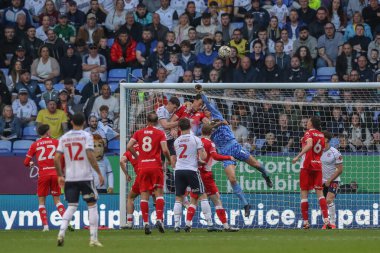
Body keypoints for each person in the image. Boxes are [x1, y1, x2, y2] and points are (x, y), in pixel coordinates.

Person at [195, 84, 273, 217]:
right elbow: (203, 134)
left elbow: (208, 103)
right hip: (224, 153)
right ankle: (246, 204)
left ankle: (266, 175)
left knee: (256, 165)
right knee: (232, 179)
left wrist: (201, 93)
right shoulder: (204, 128)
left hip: (235, 146)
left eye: (206, 110)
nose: (206, 112)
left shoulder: (217, 115)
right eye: (204, 111)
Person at [55, 112, 104, 247]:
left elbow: (56, 158)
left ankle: (61, 233)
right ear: (84, 123)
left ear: (71, 123)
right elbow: (89, 154)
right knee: (92, 205)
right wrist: (99, 172)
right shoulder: (86, 136)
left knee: (71, 206)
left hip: (70, 178)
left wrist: (60, 175)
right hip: (85, 177)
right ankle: (93, 239)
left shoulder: (64, 137)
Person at [126, 112, 171, 235]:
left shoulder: (139, 133)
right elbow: (165, 150)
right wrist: (169, 160)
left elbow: (129, 146)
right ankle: (159, 220)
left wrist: (137, 156)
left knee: (144, 195)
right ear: (157, 122)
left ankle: (146, 223)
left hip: (143, 167)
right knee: (158, 194)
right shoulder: (160, 133)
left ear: (147, 121)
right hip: (156, 166)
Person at [173, 118, 219, 232]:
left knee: (179, 197)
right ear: (190, 126)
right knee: (202, 195)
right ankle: (209, 224)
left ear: (179, 128)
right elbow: (203, 157)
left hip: (178, 170)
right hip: (191, 170)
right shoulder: (196, 139)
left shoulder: (176, 141)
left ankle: (176, 226)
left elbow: (179, 156)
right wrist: (200, 157)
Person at [23, 124, 69, 232]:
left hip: (43, 174)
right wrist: (60, 171)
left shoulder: (35, 144)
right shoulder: (56, 142)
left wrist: (30, 163)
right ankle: (67, 223)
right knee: (57, 200)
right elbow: (63, 158)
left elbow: (25, 162)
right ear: (48, 132)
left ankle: (46, 227)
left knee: (41, 202)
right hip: (55, 174)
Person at [292, 116, 331, 229]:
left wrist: (297, 156)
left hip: (307, 166)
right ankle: (326, 220)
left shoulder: (308, 133)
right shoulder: (322, 135)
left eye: (308, 121)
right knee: (320, 193)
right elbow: (319, 149)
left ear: (311, 123)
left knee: (304, 193)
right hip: (318, 165)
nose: (307, 123)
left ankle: (305, 222)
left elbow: (309, 145)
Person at [321, 131, 343, 229]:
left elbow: (340, 170)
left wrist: (329, 180)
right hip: (321, 180)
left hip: (333, 179)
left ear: (326, 140)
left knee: (329, 199)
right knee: (323, 202)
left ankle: (333, 223)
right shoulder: (317, 151)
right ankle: (326, 223)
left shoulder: (335, 152)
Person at [156, 96, 181, 167]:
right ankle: (164, 174)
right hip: (161, 140)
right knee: (161, 162)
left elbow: (172, 125)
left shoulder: (174, 113)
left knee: (174, 159)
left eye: (176, 108)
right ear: (169, 103)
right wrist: (179, 122)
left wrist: (174, 129)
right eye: (174, 107)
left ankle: (172, 176)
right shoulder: (161, 110)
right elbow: (165, 125)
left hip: (170, 139)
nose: (175, 109)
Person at [120, 143, 139, 229]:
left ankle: (129, 222)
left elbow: (121, 161)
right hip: (151, 175)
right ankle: (159, 220)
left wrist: (127, 174)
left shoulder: (128, 151)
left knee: (130, 198)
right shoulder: (144, 147)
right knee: (155, 195)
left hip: (140, 178)